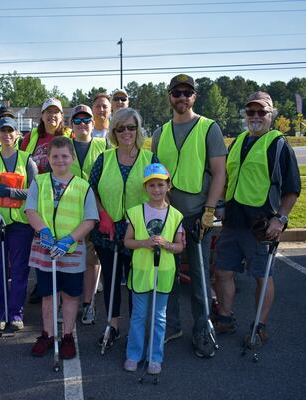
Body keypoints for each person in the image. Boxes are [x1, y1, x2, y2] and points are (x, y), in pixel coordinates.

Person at [213, 91, 300, 348]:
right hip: (232, 222)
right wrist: (220, 204)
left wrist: (280, 220)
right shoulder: (238, 140)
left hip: (262, 226)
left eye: (261, 112)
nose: (255, 116)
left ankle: (259, 327)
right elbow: (227, 177)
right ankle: (226, 318)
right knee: (222, 271)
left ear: (271, 114)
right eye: (251, 112)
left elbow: (292, 188)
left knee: (262, 275)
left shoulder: (278, 144)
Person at [151, 73, 227, 358]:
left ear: (194, 96)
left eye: (187, 92)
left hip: (198, 216)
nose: (182, 97)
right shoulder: (160, 133)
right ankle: (172, 326)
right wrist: (166, 206)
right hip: (169, 215)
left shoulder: (209, 128)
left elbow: (219, 172)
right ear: (170, 96)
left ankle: (202, 328)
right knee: (168, 275)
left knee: (198, 276)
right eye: (176, 92)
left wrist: (209, 210)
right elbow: (157, 175)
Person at [89, 108, 157, 348]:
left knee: (136, 282)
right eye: (120, 128)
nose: (126, 132)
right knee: (110, 278)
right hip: (107, 232)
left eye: (131, 127)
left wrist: (142, 221)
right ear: (114, 131)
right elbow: (91, 190)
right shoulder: (104, 158)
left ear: (138, 129)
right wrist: (103, 215)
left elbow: (159, 192)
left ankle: (136, 329)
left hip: (138, 233)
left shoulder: (150, 159)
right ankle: (113, 325)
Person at [26, 136, 98, 359]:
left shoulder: (83, 186)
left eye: (64, 156)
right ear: (47, 158)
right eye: (55, 156)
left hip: (72, 249)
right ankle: (47, 334)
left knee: (69, 295)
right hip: (45, 247)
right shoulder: (39, 181)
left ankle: (67, 335)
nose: (60, 160)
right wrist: (43, 231)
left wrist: (70, 239)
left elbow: (90, 219)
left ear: (72, 158)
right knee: (48, 295)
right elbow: (31, 210)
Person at [123, 163, 184, 374]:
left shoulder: (176, 215)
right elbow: (127, 242)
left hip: (164, 272)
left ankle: (155, 357)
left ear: (168, 186)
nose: (156, 189)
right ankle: (133, 354)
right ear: (145, 188)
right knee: (139, 315)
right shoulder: (135, 212)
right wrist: (143, 243)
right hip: (141, 270)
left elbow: (179, 246)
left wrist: (166, 245)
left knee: (159, 317)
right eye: (151, 185)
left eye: (160, 184)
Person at [0, 117, 38, 331]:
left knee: (20, 271)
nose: (6, 135)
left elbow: (35, 191)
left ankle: (15, 313)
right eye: (2, 131)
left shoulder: (27, 160)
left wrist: (14, 192)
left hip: (21, 225)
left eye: (10, 131)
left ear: (16, 135)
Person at [69, 104, 107, 325]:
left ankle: (88, 304)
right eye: (77, 120)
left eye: (86, 120)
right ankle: (69, 300)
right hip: (69, 212)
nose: (82, 124)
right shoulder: (65, 145)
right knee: (71, 258)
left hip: (96, 212)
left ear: (93, 124)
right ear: (71, 125)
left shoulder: (104, 146)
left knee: (92, 260)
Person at [20, 97, 72, 173]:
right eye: (48, 111)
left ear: (61, 116)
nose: (52, 115)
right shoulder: (30, 136)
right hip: (35, 183)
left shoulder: (70, 136)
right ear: (42, 115)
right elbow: (20, 162)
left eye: (56, 112)